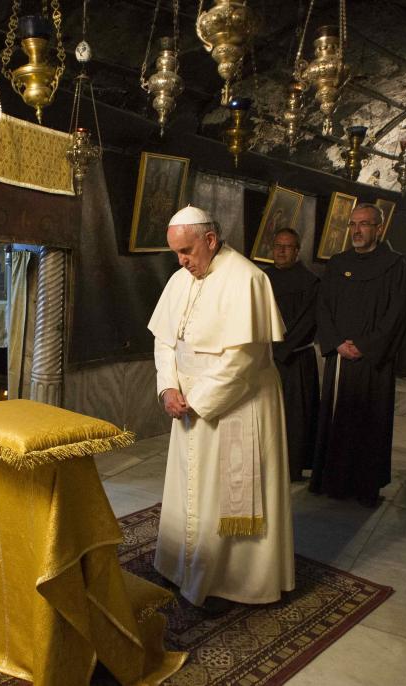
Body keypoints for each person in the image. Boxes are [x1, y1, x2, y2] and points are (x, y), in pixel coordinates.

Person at [147, 205, 294, 610]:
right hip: (187, 403)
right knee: (192, 493)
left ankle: (232, 579)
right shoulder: (179, 281)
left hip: (234, 405)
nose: (182, 262)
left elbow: (243, 361)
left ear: (210, 240)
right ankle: (184, 568)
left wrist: (197, 402)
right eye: (176, 253)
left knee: (227, 498)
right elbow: (164, 343)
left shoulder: (247, 279)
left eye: (187, 252)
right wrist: (168, 389)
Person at [310, 203, 406, 507]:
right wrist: (338, 342)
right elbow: (323, 307)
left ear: (379, 229)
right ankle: (332, 480)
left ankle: (365, 485)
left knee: (370, 421)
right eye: (353, 224)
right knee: (336, 419)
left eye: (364, 224)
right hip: (340, 358)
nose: (357, 230)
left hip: (373, 363)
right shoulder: (337, 263)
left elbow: (398, 313)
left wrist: (366, 345)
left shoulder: (395, 266)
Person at [264, 228, 320, 481]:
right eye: (277, 246)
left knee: (294, 417)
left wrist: (280, 350)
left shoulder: (310, 282)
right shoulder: (261, 279)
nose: (282, 251)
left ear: (297, 250)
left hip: (295, 359)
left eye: (287, 247)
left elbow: (307, 322)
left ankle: (290, 467)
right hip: (265, 359)